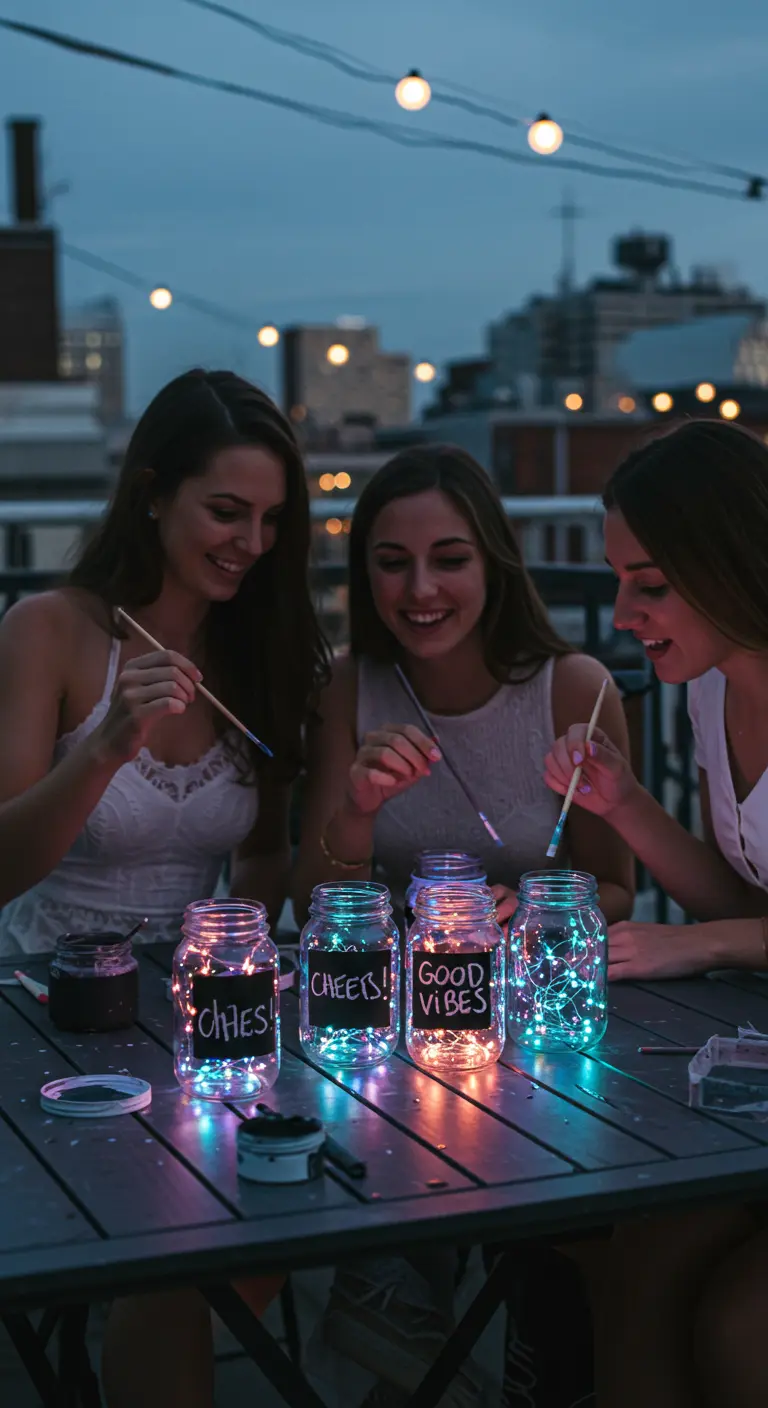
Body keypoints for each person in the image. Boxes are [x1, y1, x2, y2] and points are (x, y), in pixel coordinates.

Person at [0, 368, 329, 1407]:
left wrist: (258, 936)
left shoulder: (262, 645)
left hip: (202, 1011)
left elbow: (267, 859)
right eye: (225, 510)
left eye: (272, 519)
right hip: (45, 1006)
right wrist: (103, 745)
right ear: (151, 492)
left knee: (291, 1197)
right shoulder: (49, 628)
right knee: (180, 1245)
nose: (250, 542)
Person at [292, 443, 634, 1405]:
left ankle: (520, 1343)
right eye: (392, 563)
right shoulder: (350, 684)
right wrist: (357, 806)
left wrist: (529, 911)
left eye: (450, 558)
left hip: (533, 1035)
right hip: (388, 1037)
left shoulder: (573, 687)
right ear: (364, 575)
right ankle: (408, 1333)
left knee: (567, 1206)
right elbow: (309, 900)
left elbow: (616, 889)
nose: (421, 587)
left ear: (493, 562)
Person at [543, 418, 768, 1408]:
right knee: (634, 1251)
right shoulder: (711, 692)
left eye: (651, 584)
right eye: (618, 579)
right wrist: (622, 802)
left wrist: (702, 943)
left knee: (735, 1325)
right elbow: (743, 896)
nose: (624, 611)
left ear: (729, 562)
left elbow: (724, 924)